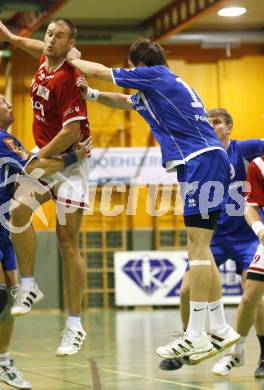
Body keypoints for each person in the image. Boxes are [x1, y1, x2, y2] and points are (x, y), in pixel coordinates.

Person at [65, 38, 240, 360]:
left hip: (201, 161)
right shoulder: (162, 87)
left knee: (197, 249)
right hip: (206, 162)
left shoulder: (155, 75)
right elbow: (125, 102)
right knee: (203, 250)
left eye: (131, 67)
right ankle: (220, 327)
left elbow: (102, 72)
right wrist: (91, 95)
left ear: (137, 64)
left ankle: (196, 335)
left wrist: (71, 59)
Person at [0, 88, 91, 390]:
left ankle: (2, 362)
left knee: (6, 299)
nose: (8, 104)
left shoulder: (3, 141)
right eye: (2, 102)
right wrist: (75, 156)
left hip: (0, 228)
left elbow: (31, 170)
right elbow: (36, 166)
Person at [0, 15, 90, 356]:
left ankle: (74, 326)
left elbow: (72, 132)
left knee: (67, 243)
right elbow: (34, 47)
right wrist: (10, 36)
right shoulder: (46, 60)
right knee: (17, 210)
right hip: (45, 160)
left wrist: (36, 157)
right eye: (49, 34)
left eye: (59, 36)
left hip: (70, 163)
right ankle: (28, 285)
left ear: (70, 44)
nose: (50, 40)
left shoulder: (70, 77)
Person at [157, 108, 264, 374]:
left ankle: (263, 356)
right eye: (208, 122)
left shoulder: (245, 148)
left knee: (256, 298)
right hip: (213, 237)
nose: (211, 126)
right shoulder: (201, 152)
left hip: (245, 237)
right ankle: (189, 341)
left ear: (229, 127)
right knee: (185, 291)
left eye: (216, 122)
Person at [216, 155, 264, 378]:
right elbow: (250, 207)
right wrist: (259, 230)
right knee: (250, 298)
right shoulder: (259, 165)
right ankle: (238, 351)